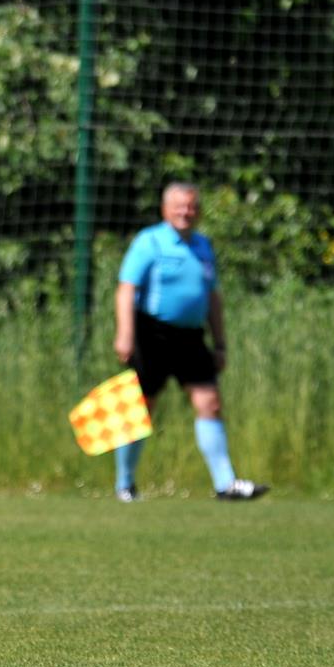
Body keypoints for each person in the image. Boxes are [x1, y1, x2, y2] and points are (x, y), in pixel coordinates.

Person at [112, 181, 267, 502]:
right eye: (179, 206)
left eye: (192, 206)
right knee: (141, 408)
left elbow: (212, 297)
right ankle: (125, 484)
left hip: (191, 337)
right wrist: (125, 334)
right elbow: (126, 289)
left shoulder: (203, 246)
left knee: (209, 402)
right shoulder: (149, 242)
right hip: (152, 334)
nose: (186, 212)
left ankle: (225, 485)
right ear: (165, 209)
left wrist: (220, 343)